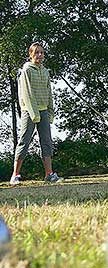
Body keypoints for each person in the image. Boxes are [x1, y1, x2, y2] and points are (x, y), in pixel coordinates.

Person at [9, 42, 63, 185]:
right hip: (29, 111)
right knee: (24, 141)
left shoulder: (45, 71)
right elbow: (27, 93)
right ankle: (15, 175)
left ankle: (49, 174)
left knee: (47, 142)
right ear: (31, 54)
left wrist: (50, 111)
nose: (39, 55)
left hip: (44, 110)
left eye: (42, 52)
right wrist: (34, 114)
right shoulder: (26, 70)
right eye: (37, 52)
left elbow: (49, 92)